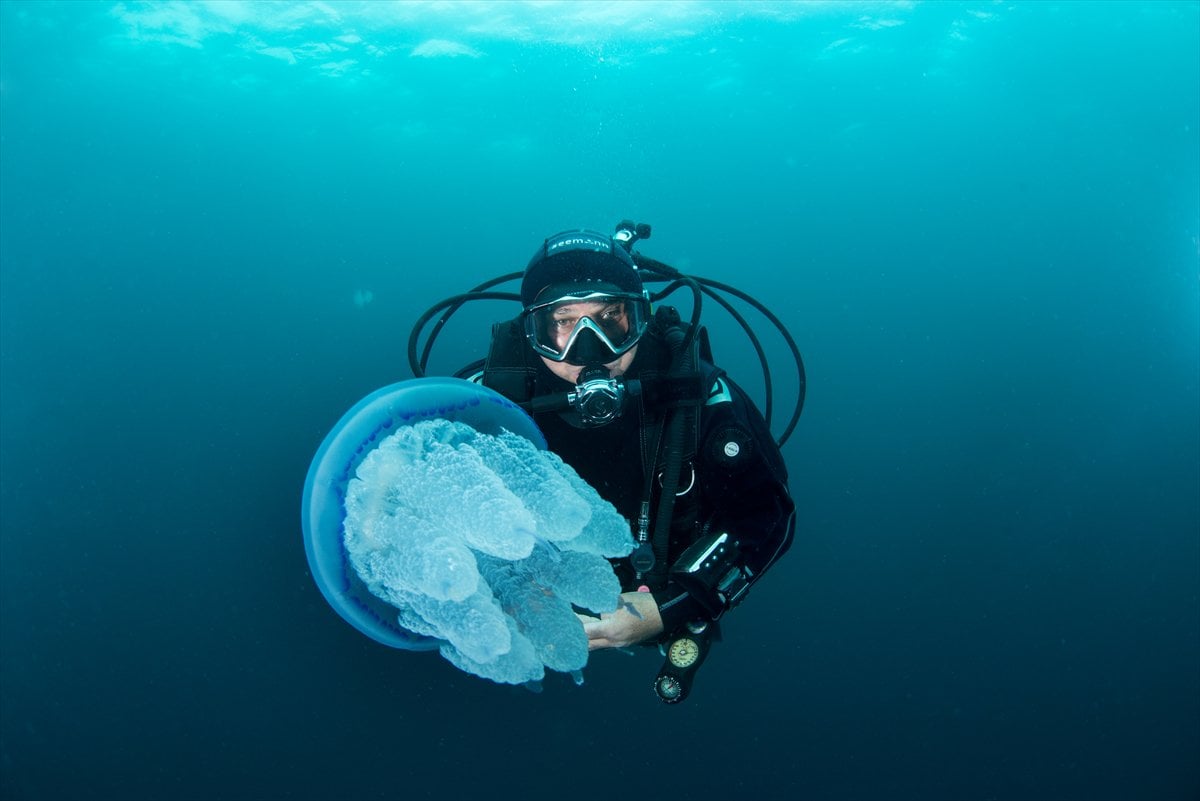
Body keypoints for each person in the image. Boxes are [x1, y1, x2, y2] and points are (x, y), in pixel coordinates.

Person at [446, 226, 798, 701]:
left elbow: (766, 514)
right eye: (564, 322)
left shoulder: (697, 394)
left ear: (642, 318)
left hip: (660, 590)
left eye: (611, 317)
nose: (588, 348)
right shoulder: (482, 399)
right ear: (533, 331)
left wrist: (677, 603)